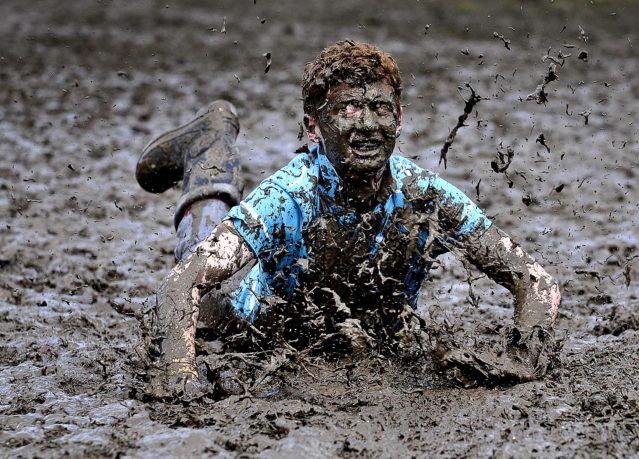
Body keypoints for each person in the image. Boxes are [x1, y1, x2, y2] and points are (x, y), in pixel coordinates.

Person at [136, 41, 561, 399]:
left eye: (379, 108)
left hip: (365, 341)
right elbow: (182, 281)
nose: (367, 124)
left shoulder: (425, 197)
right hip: (249, 326)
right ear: (314, 126)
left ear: (399, 118)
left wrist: (523, 359)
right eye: (348, 108)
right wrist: (179, 371)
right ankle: (210, 148)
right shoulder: (288, 196)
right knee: (201, 290)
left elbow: (536, 281)